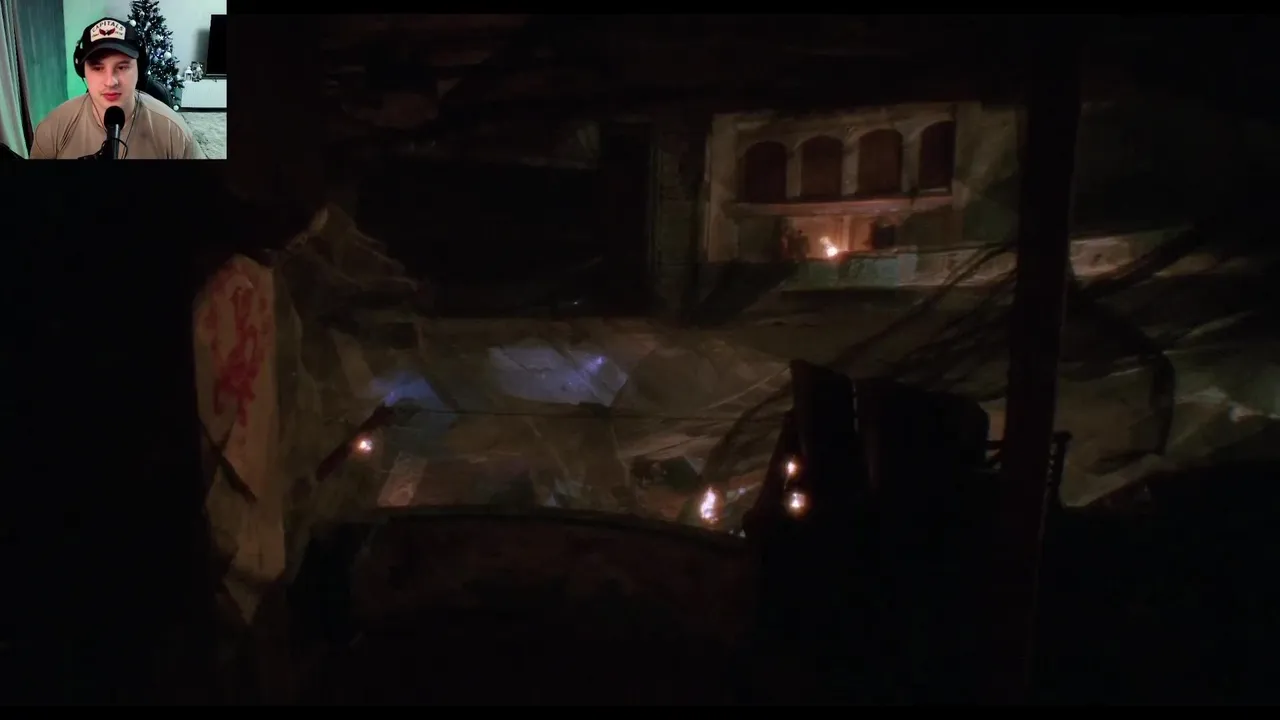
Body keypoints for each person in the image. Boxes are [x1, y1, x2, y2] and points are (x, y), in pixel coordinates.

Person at [28, 18, 204, 160]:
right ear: (83, 72)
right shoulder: (53, 128)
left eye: (122, 67)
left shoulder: (175, 132)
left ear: (139, 69)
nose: (110, 82)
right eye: (97, 68)